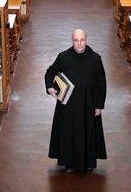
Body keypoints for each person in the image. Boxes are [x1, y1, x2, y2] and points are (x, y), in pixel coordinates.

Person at [45, 29, 107, 173]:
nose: (79, 44)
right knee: (69, 133)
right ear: (72, 41)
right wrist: (49, 87)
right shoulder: (63, 57)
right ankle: (69, 162)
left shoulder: (96, 59)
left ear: (87, 40)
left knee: (88, 132)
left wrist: (99, 105)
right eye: (76, 40)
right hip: (68, 105)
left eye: (82, 40)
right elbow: (50, 72)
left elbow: (101, 84)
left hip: (88, 104)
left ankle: (88, 162)